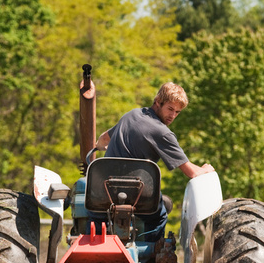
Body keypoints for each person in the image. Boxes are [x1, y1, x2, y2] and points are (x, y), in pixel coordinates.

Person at [92, 82, 214, 243]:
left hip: (103, 191)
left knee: (92, 213)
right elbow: (192, 172)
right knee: (159, 215)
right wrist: (206, 169)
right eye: (170, 109)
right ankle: (149, 259)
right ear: (158, 101)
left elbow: (103, 139)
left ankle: (93, 241)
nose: (173, 116)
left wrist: (98, 147)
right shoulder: (162, 133)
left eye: (177, 112)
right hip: (136, 195)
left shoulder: (132, 114)